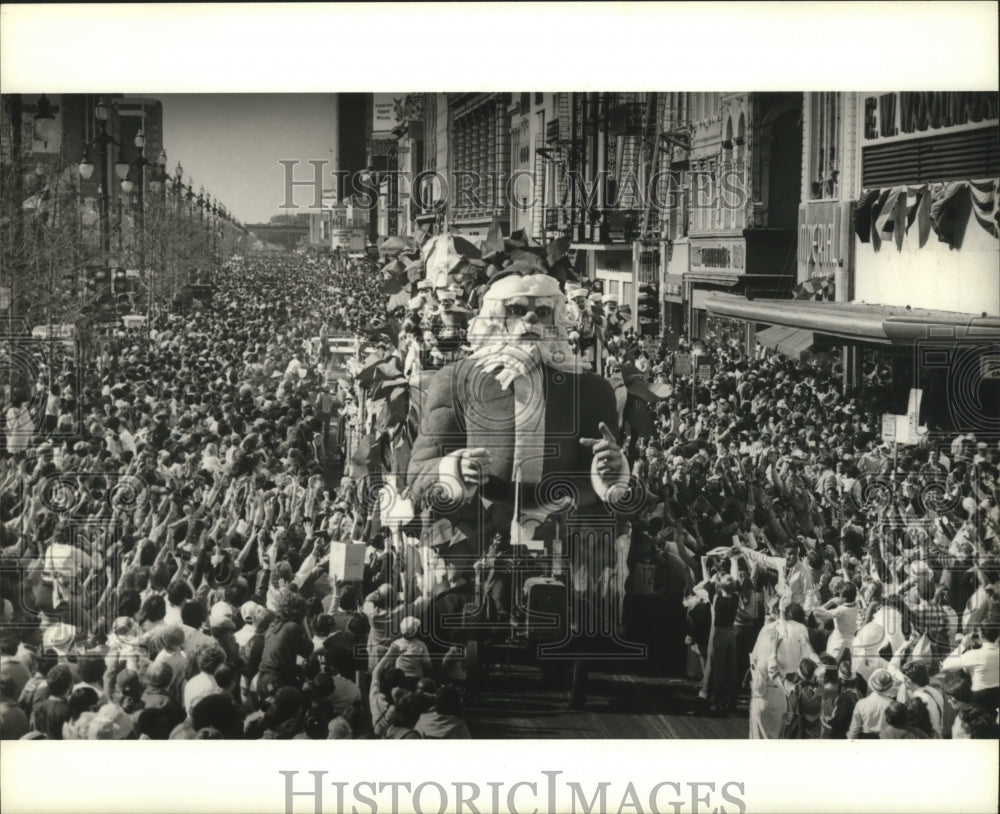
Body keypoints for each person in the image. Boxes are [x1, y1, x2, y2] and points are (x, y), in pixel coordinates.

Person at [847, 667, 896, 739]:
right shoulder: (893, 704)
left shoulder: (861, 703)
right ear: (889, 686)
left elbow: (854, 730)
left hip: (866, 739)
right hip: (886, 739)